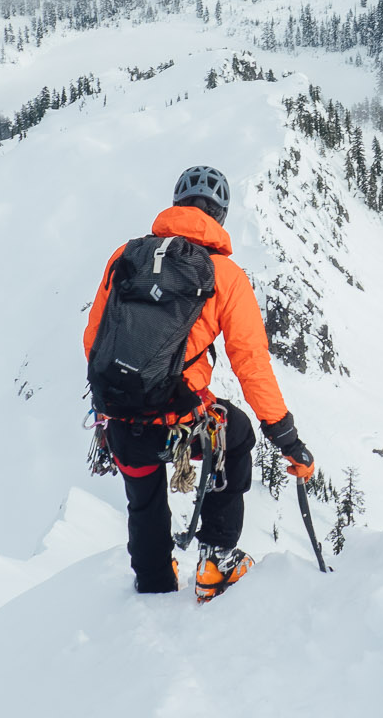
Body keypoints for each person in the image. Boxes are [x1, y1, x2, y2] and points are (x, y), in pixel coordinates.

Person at [83, 164, 316, 601]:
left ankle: (153, 580)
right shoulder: (224, 274)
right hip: (183, 429)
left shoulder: (125, 257)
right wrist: (286, 437)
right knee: (237, 433)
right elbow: (251, 364)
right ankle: (216, 563)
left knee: (143, 498)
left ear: (176, 205)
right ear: (220, 216)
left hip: (124, 424)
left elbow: (93, 339)